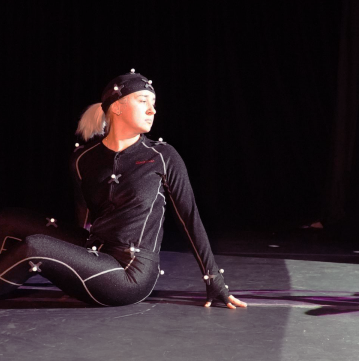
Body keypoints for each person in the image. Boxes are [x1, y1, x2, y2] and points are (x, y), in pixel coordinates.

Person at [0, 69, 247, 309]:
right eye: (143, 101)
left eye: (154, 103)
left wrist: (214, 279)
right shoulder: (83, 158)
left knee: (35, 246)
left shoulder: (162, 156)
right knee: (9, 219)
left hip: (130, 274)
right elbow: (84, 218)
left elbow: (189, 218)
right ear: (117, 107)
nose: (152, 110)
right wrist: (73, 265)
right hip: (96, 252)